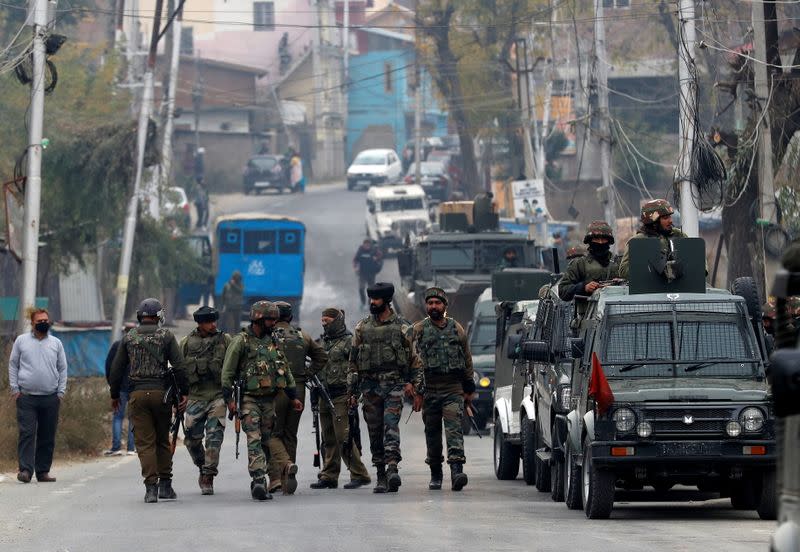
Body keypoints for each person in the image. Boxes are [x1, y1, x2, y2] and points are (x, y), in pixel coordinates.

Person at [221, 301, 303, 501]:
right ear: (258, 318)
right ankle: (258, 480)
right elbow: (227, 372)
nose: (274, 322)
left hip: (269, 401)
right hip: (248, 399)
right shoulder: (241, 341)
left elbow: (285, 370)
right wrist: (229, 399)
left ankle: (270, 477)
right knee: (254, 439)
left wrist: (294, 398)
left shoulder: (274, 341)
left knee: (266, 440)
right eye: (270, 319)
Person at [347, 282, 423, 494]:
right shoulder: (362, 328)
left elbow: (415, 360)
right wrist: (351, 393)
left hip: (394, 386)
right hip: (370, 388)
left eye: (376, 299)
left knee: (390, 426)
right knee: (374, 431)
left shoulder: (402, 327)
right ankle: (380, 473)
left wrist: (416, 387)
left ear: (386, 301)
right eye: (371, 299)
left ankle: (392, 468)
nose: (372, 302)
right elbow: (353, 363)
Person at [109, 298, 187, 503]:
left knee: (144, 444)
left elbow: (116, 370)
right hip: (161, 396)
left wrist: (114, 395)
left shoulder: (129, 337)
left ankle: (150, 489)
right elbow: (179, 366)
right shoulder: (167, 336)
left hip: (137, 396)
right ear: (159, 316)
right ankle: (166, 486)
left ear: (140, 317)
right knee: (162, 440)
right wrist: (184, 393)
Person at [412, 288, 475, 492]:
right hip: (429, 389)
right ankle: (436, 474)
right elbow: (411, 360)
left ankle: (457, 471)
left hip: (452, 388)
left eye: (437, 303)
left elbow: (466, 358)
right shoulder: (419, 330)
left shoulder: (456, 329)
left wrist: (468, 387)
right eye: (430, 303)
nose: (433, 307)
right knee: (432, 433)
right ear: (426, 306)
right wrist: (416, 391)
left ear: (444, 306)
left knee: (454, 430)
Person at [267, 301, 327, 494]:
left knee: (272, 434)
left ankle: (278, 473)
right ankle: (287, 478)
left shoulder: (268, 336)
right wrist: (306, 374)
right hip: (298, 389)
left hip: (275, 391)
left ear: (273, 317)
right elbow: (322, 357)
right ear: (290, 317)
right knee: (290, 434)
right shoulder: (303, 336)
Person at [309, 307, 371, 490]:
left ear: (336, 321)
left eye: (327, 321)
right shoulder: (321, 343)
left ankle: (359, 473)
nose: (324, 324)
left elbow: (357, 368)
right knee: (328, 437)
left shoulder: (348, 343)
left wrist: (354, 394)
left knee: (344, 436)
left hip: (342, 394)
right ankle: (329, 475)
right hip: (324, 394)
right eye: (322, 321)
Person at [8, 308, 68, 484]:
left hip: (51, 397)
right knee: (27, 433)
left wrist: (61, 392)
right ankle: (25, 470)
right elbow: (13, 365)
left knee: (47, 435)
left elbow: (63, 368)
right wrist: (15, 390)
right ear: (32, 323)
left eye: (46, 320)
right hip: (26, 397)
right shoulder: (21, 341)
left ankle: (43, 472)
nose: (43, 323)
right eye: (39, 321)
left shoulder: (56, 343)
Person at [179, 306, 231, 495]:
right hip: (195, 397)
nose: (213, 325)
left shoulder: (225, 341)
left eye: (214, 321)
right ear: (200, 323)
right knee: (192, 439)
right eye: (209, 322)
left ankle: (208, 475)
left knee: (214, 438)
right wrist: (180, 395)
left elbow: (235, 365)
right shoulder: (185, 343)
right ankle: (202, 465)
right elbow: (178, 371)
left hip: (218, 396)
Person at [619, 199, 688, 279]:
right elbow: (624, 270)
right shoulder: (639, 240)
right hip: (651, 289)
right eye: (665, 218)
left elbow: (694, 254)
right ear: (654, 222)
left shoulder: (677, 235)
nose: (670, 221)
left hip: (679, 287)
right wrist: (652, 270)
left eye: (670, 217)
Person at [558, 221, 620, 302]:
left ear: (609, 240)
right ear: (590, 240)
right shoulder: (579, 264)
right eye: (596, 239)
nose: (600, 242)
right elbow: (562, 291)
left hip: (617, 311)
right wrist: (583, 287)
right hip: (588, 313)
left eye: (604, 239)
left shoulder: (618, 262)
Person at [103, 334, 135, 456]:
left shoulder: (117, 345)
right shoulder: (138, 346)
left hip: (120, 388)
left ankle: (116, 447)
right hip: (134, 387)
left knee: (117, 417)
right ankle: (131, 448)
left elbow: (108, 366)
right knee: (133, 417)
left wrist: (112, 385)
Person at [353, 239, 383, 306]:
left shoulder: (374, 250)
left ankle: (370, 303)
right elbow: (355, 260)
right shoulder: (360, 251)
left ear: (370, 245)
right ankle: (363, 302)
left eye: (368, 245)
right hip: (362, 273)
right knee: (361, 288)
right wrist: (355, 267)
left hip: (371, 273)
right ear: (363, 245)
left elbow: (380, 256)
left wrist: (377, 258)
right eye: (365, 245)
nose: (366, 246)